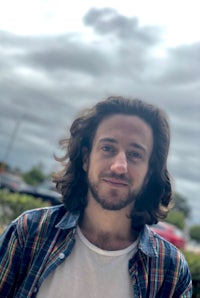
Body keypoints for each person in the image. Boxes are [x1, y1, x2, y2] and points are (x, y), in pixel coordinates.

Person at [0, 96, 192, 297]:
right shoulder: (29, 233)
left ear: (149, 173)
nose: (119, 166)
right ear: (85, 158)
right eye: (108, 148)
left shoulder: (170, 271)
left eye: (135, 154)